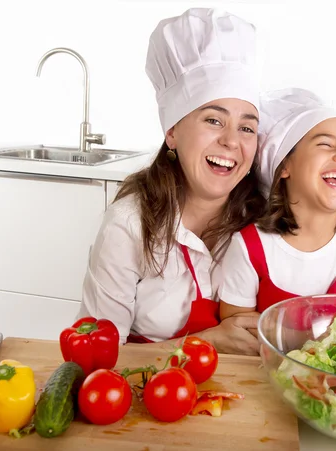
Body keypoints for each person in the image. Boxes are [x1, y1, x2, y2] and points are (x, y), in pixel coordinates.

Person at [77, 8, 266, 355]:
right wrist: (207, 343)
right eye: (213, 120)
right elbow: (94, 354)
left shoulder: (265, 218)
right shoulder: (129, 224)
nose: (231, 141)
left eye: (247, 127)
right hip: (142, 391)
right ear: (173, 132)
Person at [217, 88, 336, 333]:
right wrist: (309, 350)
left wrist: (327, 351)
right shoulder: (249, 247)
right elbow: (237, 330)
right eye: (326, 144)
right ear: (285, 166)